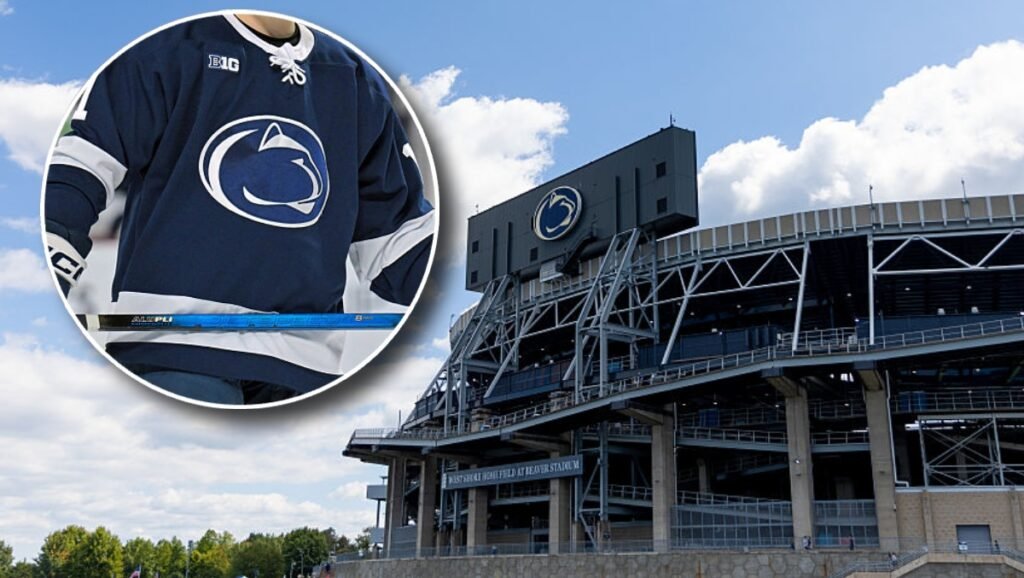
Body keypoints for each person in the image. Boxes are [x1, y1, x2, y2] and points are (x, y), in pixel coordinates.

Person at [45, 13, 434, 404]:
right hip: (178, 346)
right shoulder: (165, 48)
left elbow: (396, 240)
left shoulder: (354, 78)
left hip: (306, 362)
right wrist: (52, 252)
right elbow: (83, 163)